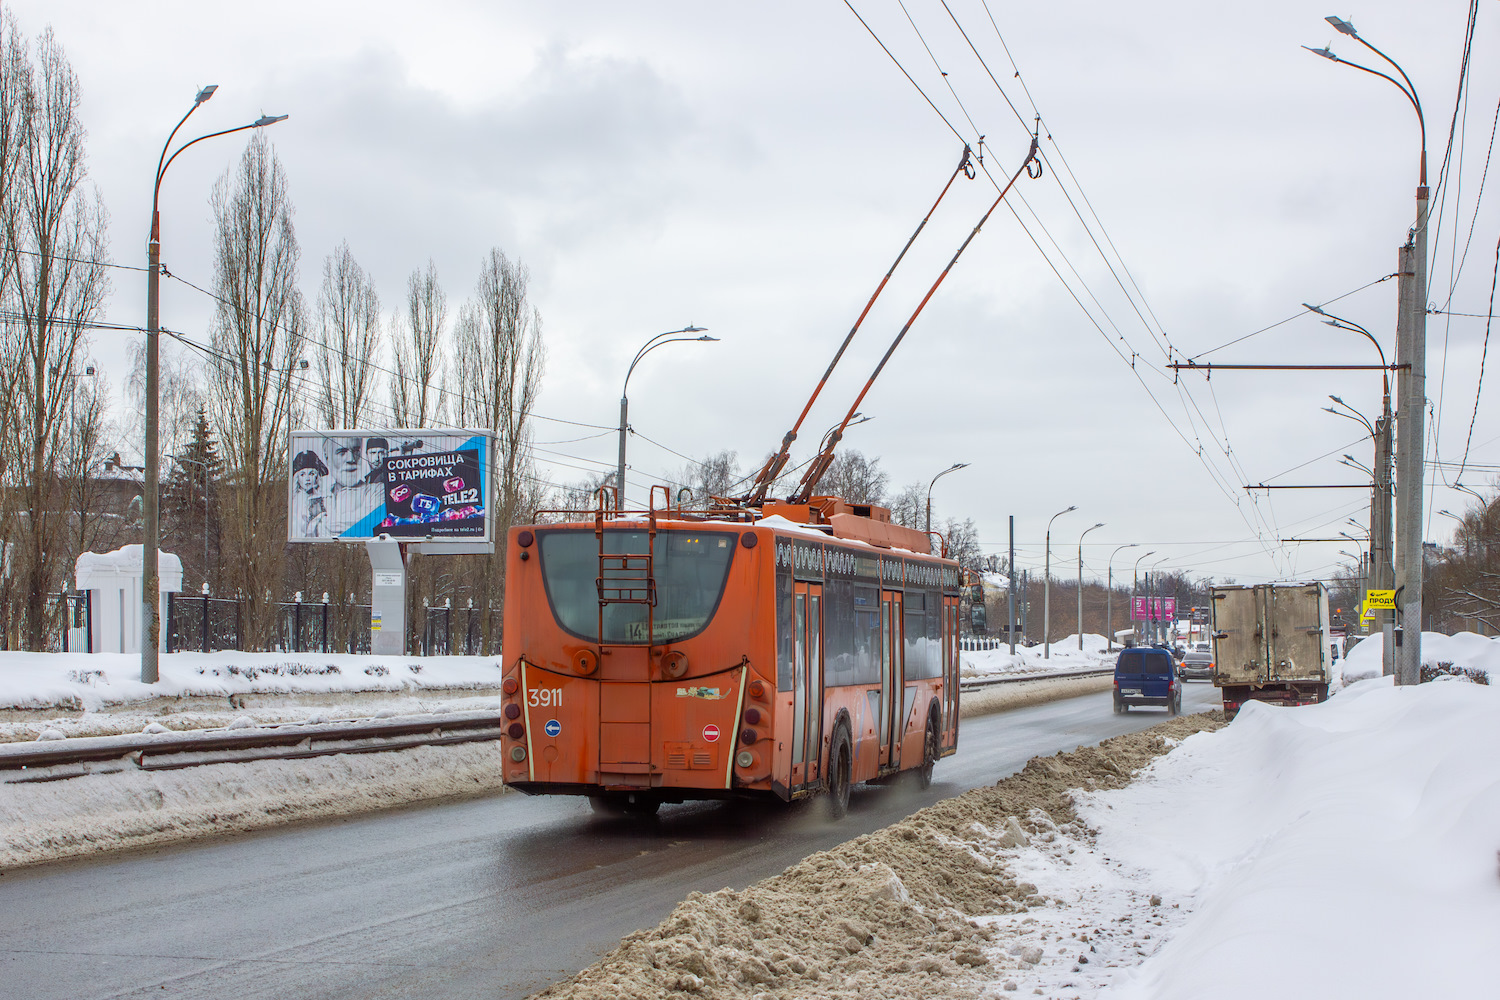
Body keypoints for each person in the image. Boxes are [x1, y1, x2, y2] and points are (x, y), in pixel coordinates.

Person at [322, 436, 384, 535]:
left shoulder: (378, 490)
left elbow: (373, 519)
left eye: (355, 451)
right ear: (327, 457)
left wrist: (323, 524)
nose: (351, 459)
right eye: (341, 452)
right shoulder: (319, 496)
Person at [291, 450, 329, 538]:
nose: (307, 479)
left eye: (311, 474)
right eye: (302, 474)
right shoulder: (295, 500)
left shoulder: (324, 497)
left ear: (317, 476)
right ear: (297, 477)